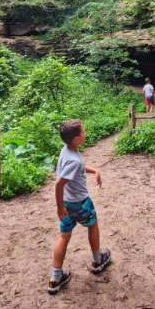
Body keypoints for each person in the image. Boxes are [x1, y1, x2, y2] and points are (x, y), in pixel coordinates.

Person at [48, 119, 111, 295]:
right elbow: (59, 184)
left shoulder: (67, 151)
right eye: (83, 132)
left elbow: (78, 167)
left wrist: (95, 170)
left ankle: (55, 278)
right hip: (79, 203)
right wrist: (58, 208)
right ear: (76, 139)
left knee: (64, 237)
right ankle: (98, 260)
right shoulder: (74, 160)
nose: (85, 133)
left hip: (68, 204)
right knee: (93, 225)